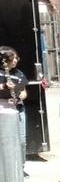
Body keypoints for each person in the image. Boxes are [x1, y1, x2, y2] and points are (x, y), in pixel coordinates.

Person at [0, 45, 29, 175]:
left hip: (17, 108)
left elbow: (23, 91)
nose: (16, 60)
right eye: (13, 57)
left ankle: (20, 167)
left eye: (16, 57)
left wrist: (20, 95)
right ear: (4, 60)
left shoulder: (19, 74)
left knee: (21, 140)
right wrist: (4, 86)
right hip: (2, 109)